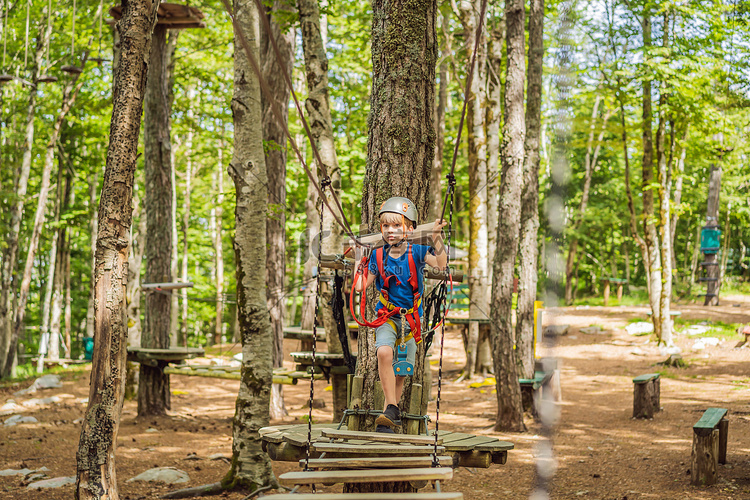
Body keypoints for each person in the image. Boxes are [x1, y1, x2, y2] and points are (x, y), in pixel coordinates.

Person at [352, 196, 447, 432]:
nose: (390, 230)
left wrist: (437, 239)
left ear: (410, 228)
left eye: (396, 225)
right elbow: (361, 286)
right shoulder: (377, 256)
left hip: (412, 319)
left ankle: (389, 413)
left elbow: (441, 266)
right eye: (385, 226)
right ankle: (392, 408)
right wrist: (358, 259)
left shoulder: (418, 252)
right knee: (384, 352)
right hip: (387, 316)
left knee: (403, 368)